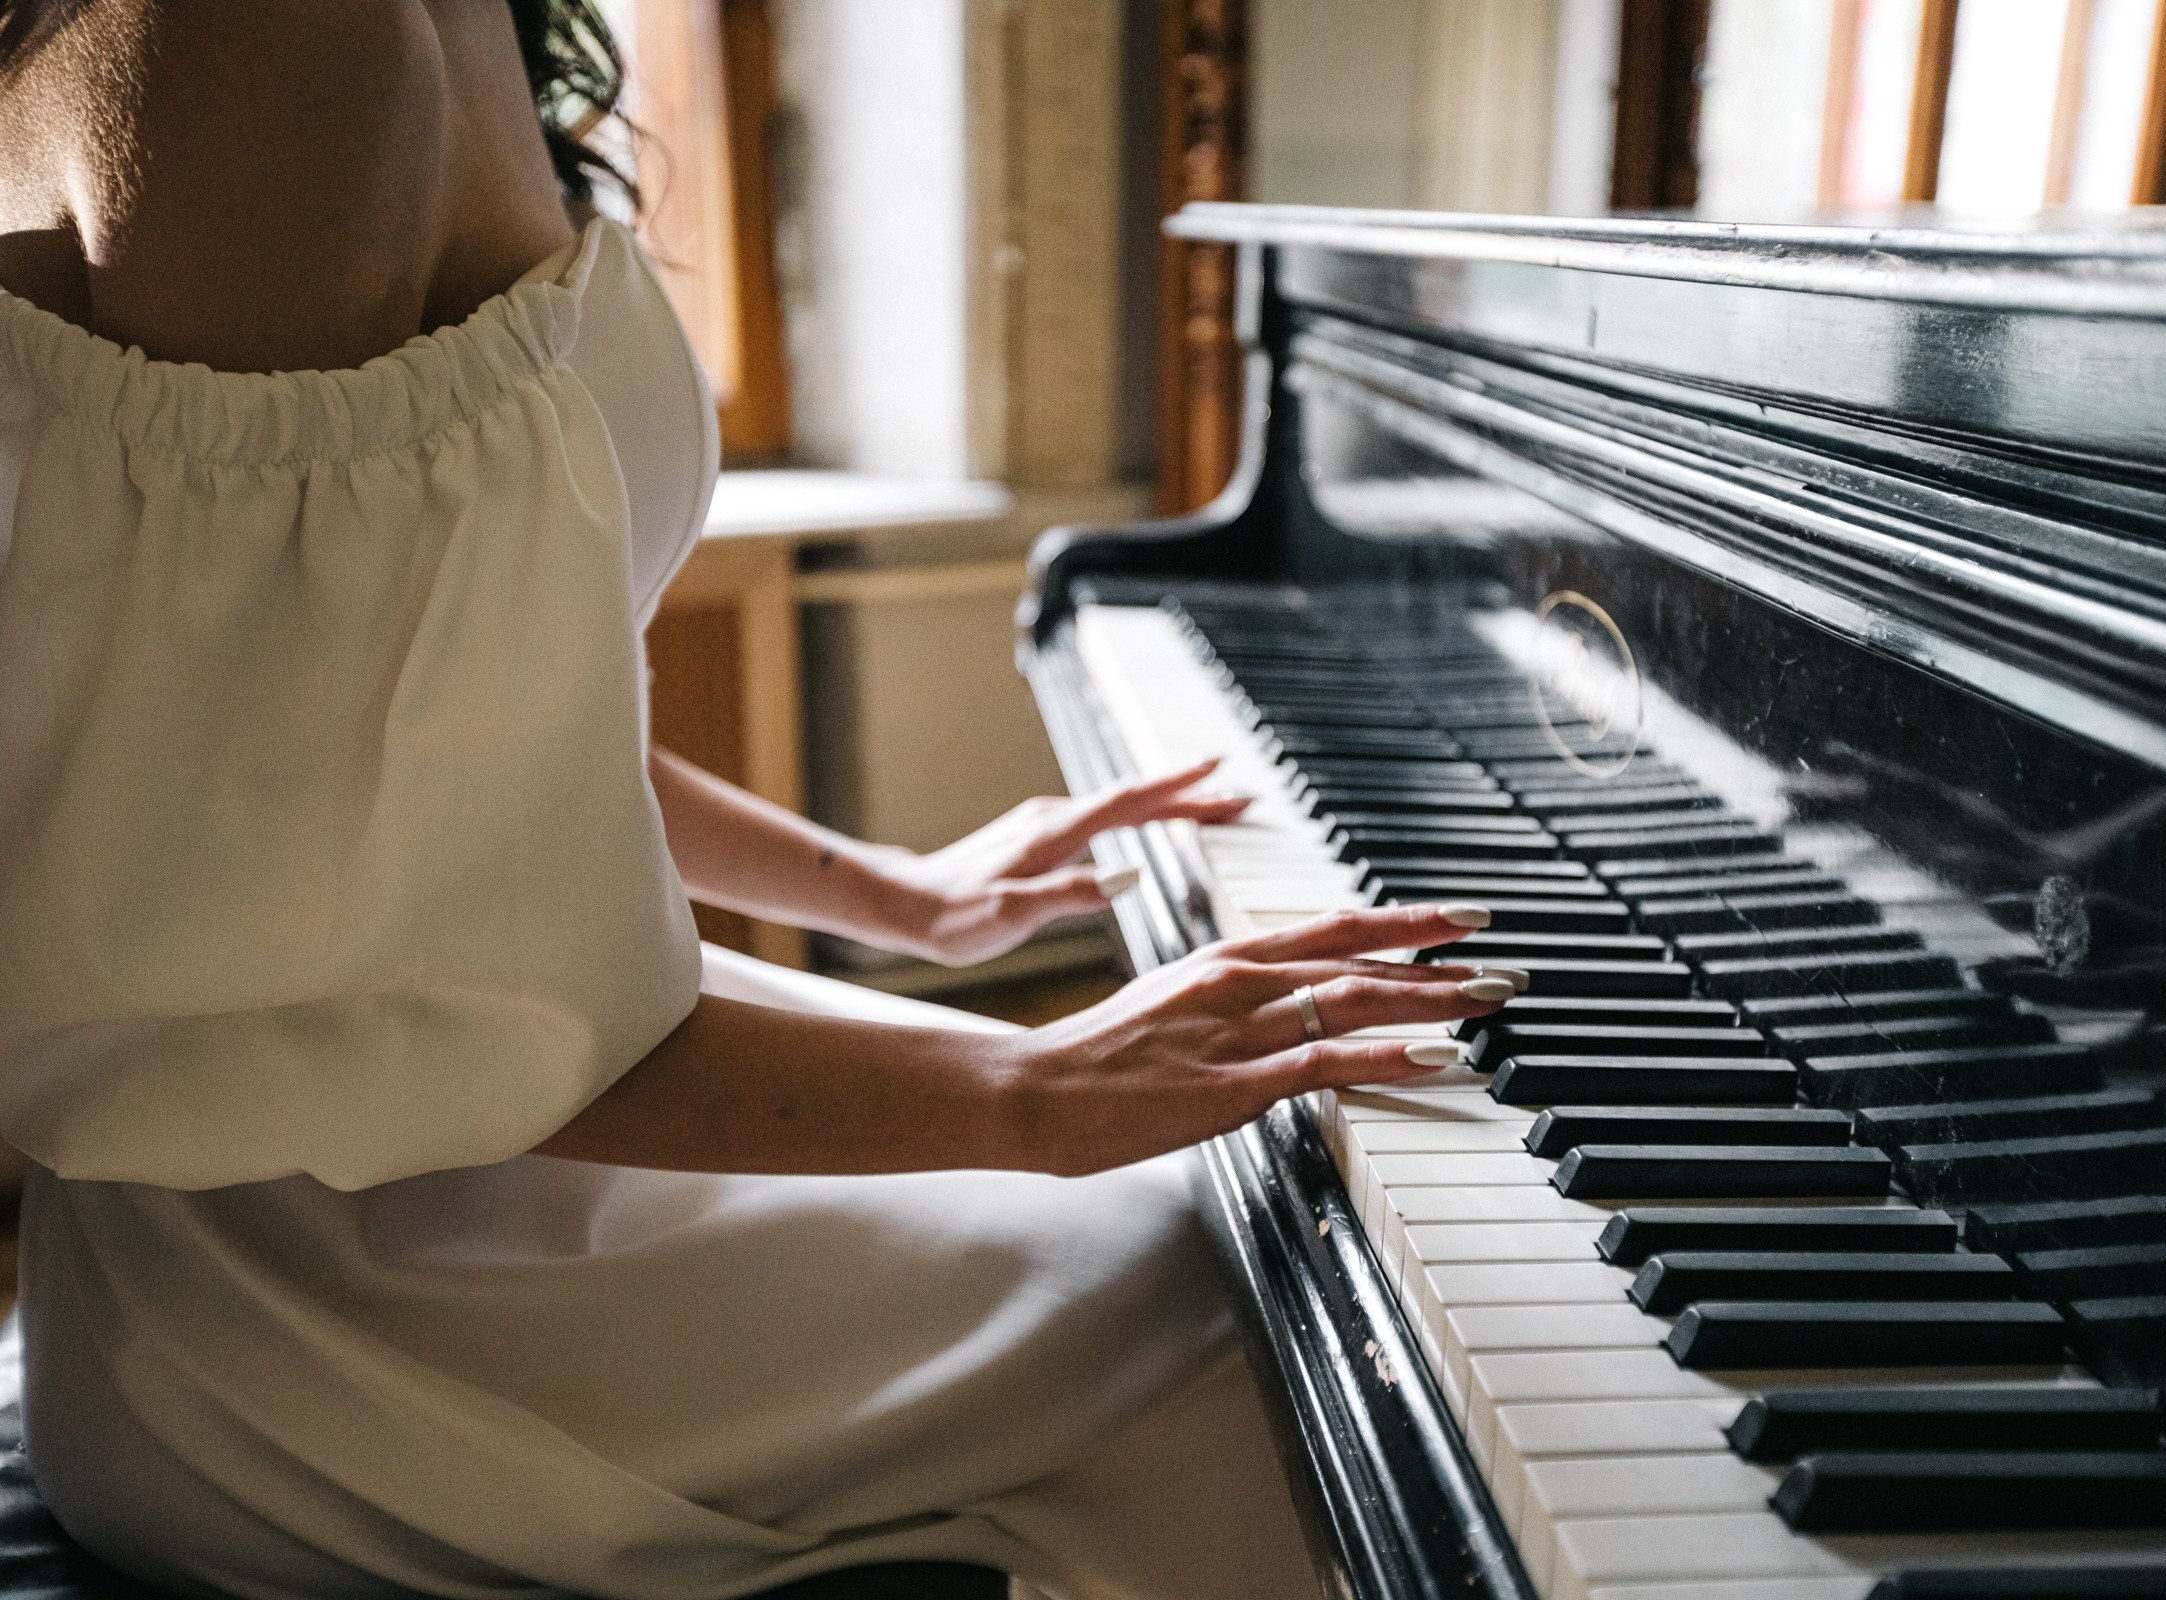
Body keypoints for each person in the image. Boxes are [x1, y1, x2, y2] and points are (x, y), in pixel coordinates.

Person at [0, 4, 1512, 1597]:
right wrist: (1020, 1087)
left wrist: (895, 897)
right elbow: (352, 969)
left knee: (1259, 1235)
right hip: (301, 1301)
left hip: (468, 1127)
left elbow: (459, 725)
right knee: (1269, 1323)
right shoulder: (268, 45)